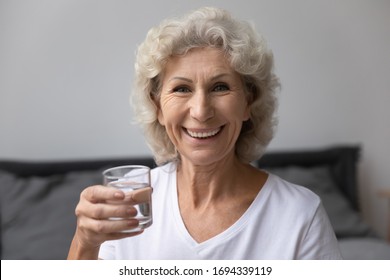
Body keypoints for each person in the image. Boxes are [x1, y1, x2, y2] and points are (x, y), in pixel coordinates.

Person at [67, 7, 341, 260]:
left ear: (249, 102)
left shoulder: (300, 215)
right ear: (158, 107)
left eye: (220, 87)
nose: (200, 111)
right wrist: (85, 241)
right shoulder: (130, 204)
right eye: (181, 89)